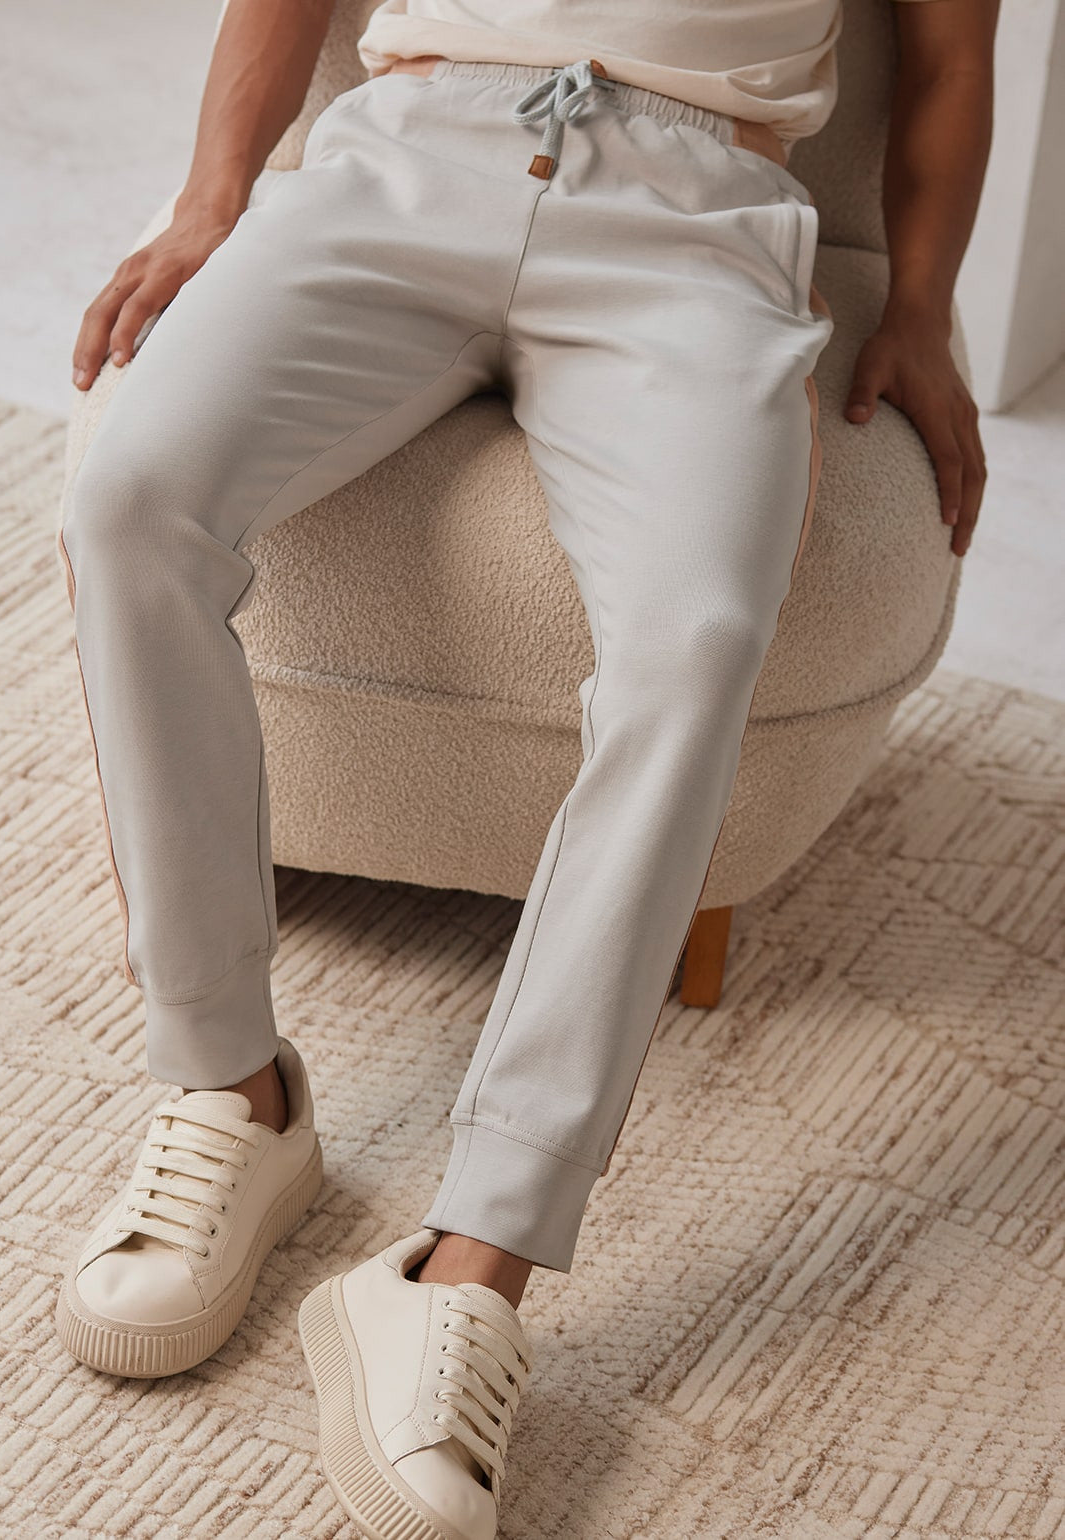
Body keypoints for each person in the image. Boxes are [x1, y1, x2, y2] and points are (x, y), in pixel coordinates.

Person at [53, 0, 994, 1533]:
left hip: (697, 223)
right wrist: (214, 199)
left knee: (697, 643)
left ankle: (466, 1265)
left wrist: (927, 312)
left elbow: (954, 54)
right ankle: (234, 1091)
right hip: (407, 156)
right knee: (129, 499)